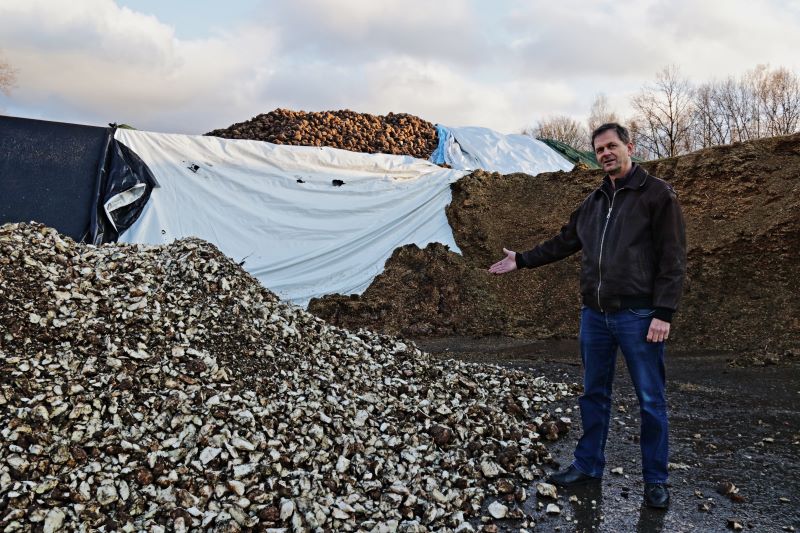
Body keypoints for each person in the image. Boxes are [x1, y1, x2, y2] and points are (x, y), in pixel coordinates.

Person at [488, 123, 686, 509]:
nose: (605, 154)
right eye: (599, 150)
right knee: (594, 394)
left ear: (630, 146)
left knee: (650, 400)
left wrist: (664, 312)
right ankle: (588, 466)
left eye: (612, 146)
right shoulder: (594, 201)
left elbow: (673, 258)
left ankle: (655, 481)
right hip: (595, 317)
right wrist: (522, 260)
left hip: (640, 315)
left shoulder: (658, 195)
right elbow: (564, 241)